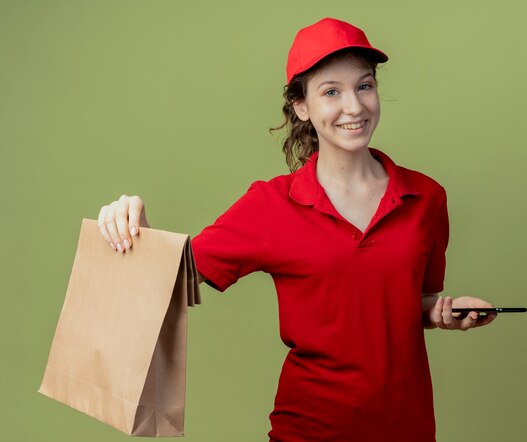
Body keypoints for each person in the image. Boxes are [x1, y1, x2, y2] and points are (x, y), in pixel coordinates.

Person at [97, 17, 497, 442]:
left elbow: (410, 301)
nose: (355, 107)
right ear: (301, 107)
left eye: (364, 86)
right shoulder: (272, 206)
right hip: (308, 431)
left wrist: (441, 312)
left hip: (408, 429)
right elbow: (173, 275)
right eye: (331, 92)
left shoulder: (426, 198)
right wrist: (134, 224)